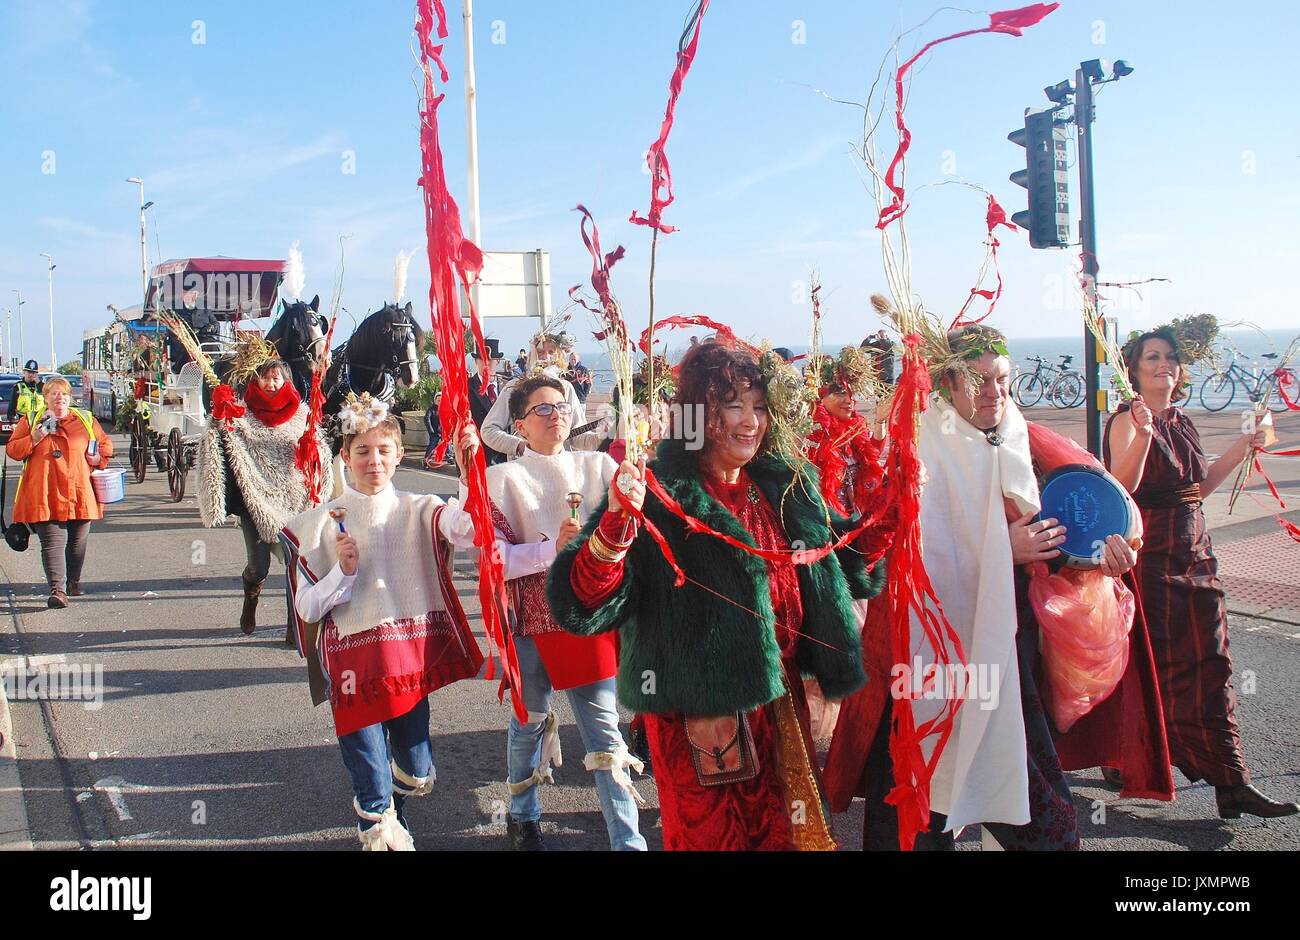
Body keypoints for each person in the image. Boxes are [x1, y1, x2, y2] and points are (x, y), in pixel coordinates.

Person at [548, 342, 884, 850]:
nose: (751, 421)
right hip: (701, 720)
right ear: (700, 414)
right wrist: (617, 523)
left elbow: (847, 565)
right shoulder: (659, 494)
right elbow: (587, 604)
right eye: (734, 406)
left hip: (781, 707)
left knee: (789, 838)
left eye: (759, 406)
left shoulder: (784, 485)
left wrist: (892, 509)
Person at [841, 325, 1150, 851]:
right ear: (947, 383)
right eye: (979, 380)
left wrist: (1107, 556)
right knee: (920, 808)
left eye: (1003, 378)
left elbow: (1083, 520)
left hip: (1007, 652)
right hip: (930, 654)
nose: (994, 391)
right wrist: (1001, 547)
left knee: (1038, 815)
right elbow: (898, 553)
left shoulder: (1020, 434)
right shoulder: (916, 447)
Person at [1105, 325, 1298, 819]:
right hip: (1151, 557)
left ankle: (1231, 782)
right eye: (1152, 357)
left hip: (1197, 552)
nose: (1163, 364)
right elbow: (1119, 486)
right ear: (1134, 367)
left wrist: (1244, 446)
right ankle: (1130, 755)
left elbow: (1198, 485)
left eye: (1169, 357)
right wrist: (1144, 435)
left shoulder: (1183, 420)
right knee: (1159, 669)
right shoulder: (1127, 420)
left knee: (1213, 663)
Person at [282, 398, 484, 850]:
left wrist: (468, 473)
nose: (373, 461)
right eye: (362, 451)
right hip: (353, 665)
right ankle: (378, 823)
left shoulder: (421, 507)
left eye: (383, 450)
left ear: (398, 455)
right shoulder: (320, 522)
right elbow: (309, 608)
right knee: (372, 784)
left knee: (415, 771)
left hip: (406, 660)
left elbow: (470, 531)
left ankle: (392, 810)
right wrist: (343, 572)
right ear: (346, 457)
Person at [480, 375, 646, 851]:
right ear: (519, 425)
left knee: (605, 733)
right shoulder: (501, 480)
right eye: (543, 410)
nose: (557, 416)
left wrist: (641, 461)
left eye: (562, 407)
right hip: (532, 619)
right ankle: (523, 813)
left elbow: (630, 521)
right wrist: (551, 549)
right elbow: (493, 558)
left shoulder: (597, 465)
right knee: (530, 720)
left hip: (588, 618)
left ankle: (628, 841)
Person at [198, 358, 330, 640]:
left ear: (287, 381)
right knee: (259, 566)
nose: (271, 383)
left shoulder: (302, 415)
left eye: (277, 378)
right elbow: (219, 439)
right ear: (255, 381)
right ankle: (251, 596)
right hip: (255, 503)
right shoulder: (241, 414)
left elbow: (317, 454)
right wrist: (219, 415)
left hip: (295, 504)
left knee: (295, 565)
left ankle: (294, 627)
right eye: (266, 378)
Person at [5, 377, 114, 608]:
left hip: (79, 492)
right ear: (45, 399)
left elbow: (105, 445)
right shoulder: (32, 421)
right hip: (44, 492)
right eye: (53, 394)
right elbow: (13, 450)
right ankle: (57, 590)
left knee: (77, 543)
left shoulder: (85, 420)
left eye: (63, 394)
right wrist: (36, 436)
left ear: (70, 398)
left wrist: (98, 458)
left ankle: (73, 582)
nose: (59, 398)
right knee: (52, 543)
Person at [480, 334, 602, 458]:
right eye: (540, 352)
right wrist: (519, 446)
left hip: (559, 465)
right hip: (523, 467)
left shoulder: (566, 388)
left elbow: (577, 437)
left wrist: (605, 438)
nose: (546, 357)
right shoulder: (515, 387)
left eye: (551, 352)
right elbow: (488, 430)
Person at [7, 360, 44, 428]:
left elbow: (48, 397)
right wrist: (12, 422)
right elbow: (12, 405)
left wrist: (39, 383)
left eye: (33, 373)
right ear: (24, 372)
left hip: (39, 422)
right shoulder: (18, 387)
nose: (31, 374)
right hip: (23, 421)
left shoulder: (41, 386)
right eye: (29, 372)